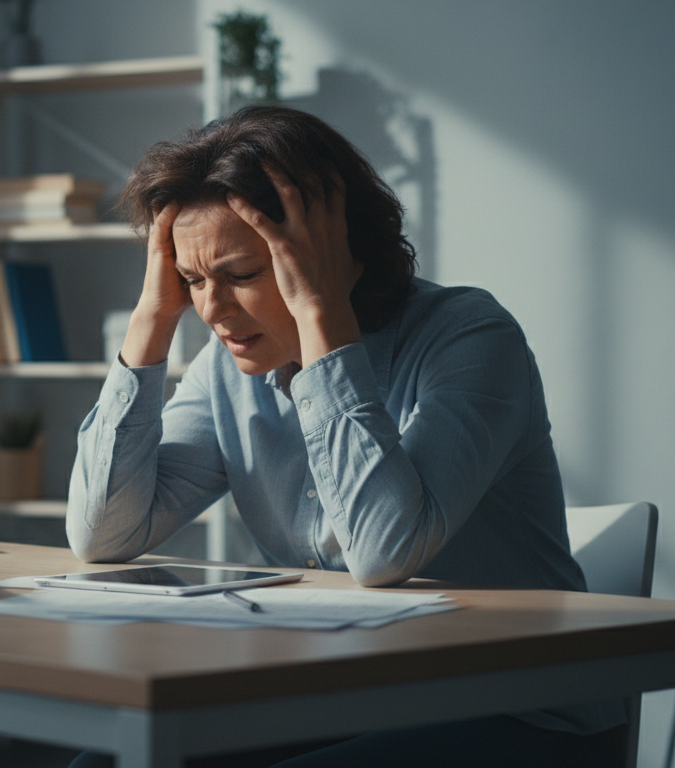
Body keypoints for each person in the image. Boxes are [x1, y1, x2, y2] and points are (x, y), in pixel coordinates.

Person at [65, 105, 626, 767]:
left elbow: (384, 552)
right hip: (347, 699)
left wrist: (319, 314)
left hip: (518, 713)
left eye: (241, 274)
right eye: (192, 281)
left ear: (334, 249)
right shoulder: (231, 365)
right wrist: (151, 322)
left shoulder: (471, 339)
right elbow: (104, 534)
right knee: (106, 762)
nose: (211, 310)